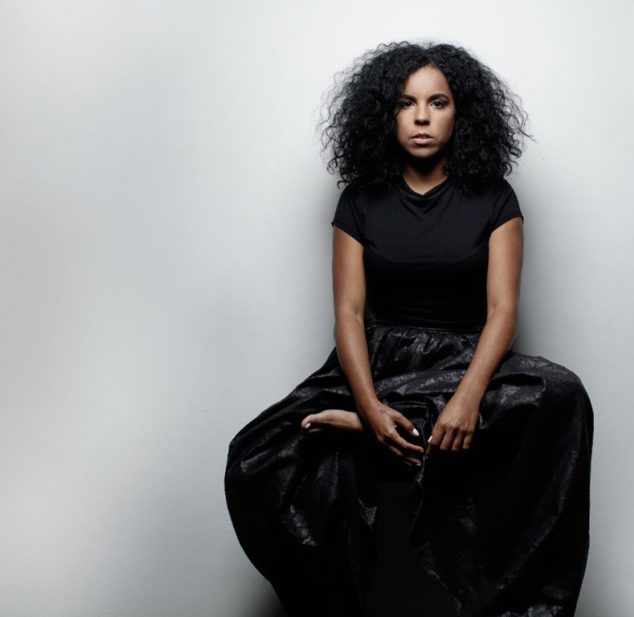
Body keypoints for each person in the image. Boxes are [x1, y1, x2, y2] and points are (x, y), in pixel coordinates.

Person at [224, 41, 594, 617]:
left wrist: (468, 397)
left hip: (464, 363)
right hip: (379, 362)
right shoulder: (359, 201)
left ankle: (386, 426)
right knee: (257, 454)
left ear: (460, 113)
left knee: (562, 395)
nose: (422, 117)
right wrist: (370, 406)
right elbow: (349, 313)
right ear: (386, 115)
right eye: (406, 103)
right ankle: (371, 425)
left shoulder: (495, 198)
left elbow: (503, 310)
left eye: (437, 103)